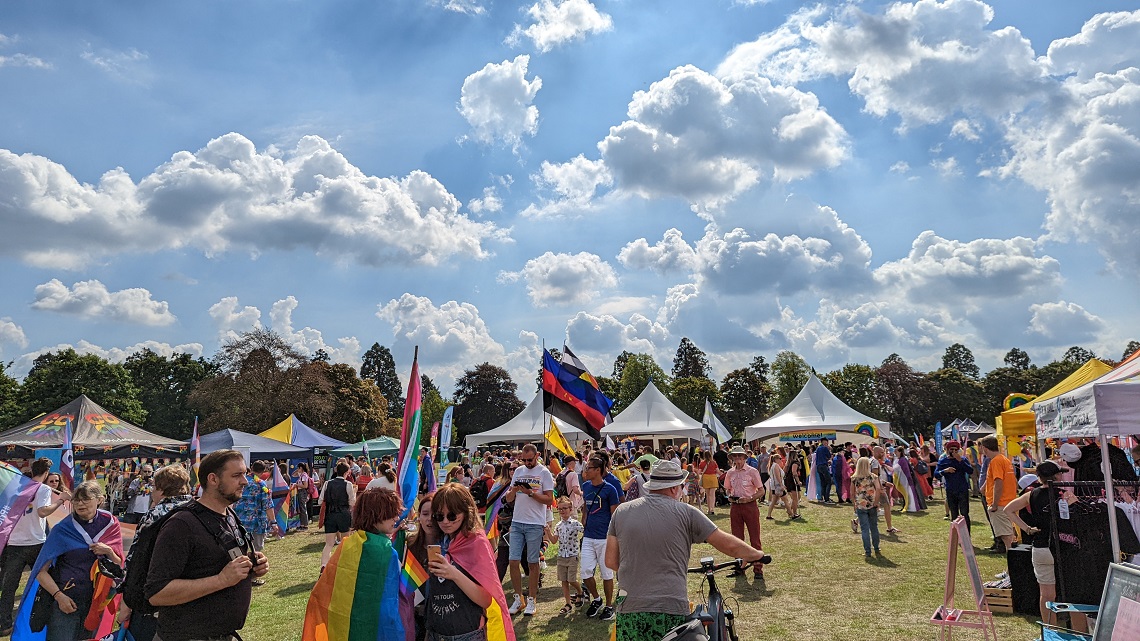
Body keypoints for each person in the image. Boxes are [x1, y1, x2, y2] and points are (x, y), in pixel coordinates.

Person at [605, 460, 767, 641]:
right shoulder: (686, 512)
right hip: (670, 607)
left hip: (629, 607)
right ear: (675, 488)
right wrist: (756, 554)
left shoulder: (622, 511)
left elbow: (610, 561)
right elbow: (727, 544)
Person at [144, 450, 267, 641]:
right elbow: (157, 593)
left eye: (245, 473)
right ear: (213, 479)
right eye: (236, 475)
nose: (245, 481)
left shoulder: (229, 515)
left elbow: (212, 563)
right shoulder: (182, 524)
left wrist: (252, 566)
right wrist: (221, 580)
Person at [303, 488, 410, 641]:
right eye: (392, 513)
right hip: (376, 626)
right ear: (377, 515)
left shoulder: (347, 544)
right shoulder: (385, 551)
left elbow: (325, 588)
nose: (396, 517)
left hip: (346, 624)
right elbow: (390, 601)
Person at [425, 483, 516, 641]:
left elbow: (486, 599)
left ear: (466, 512)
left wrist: (453, 574)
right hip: (435, 633)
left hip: (467, 635)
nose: (445, 521)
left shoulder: (476, 543)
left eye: (452, 515)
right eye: (439, 516)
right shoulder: (437, 542)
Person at [118, 465, 194, 641]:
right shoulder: (198, 509)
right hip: (191, 593)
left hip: (156, 594)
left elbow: (135, 558)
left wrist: (127, 601)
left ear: (161, 489)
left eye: (154, 487)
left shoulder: (155, 514)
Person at [0, 458, 70, 636]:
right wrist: (61, 500)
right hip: (35, 541)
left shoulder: (17, 486)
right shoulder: (43, 488)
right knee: (46, 581)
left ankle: (5, 624)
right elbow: (42, 511)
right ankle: (47, 617)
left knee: (9, 586)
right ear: (46, 473)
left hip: (15, 542)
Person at [1004, 461, 1062, 626]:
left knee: (1046, 594)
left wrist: (1027, 528)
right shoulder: (1064, 494)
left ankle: (1051, 628)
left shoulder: (1031, 494)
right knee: (1067, 591)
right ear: (1057, 475)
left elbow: (1008, 509)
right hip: (1061, 546)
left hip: (1040, 546)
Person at [504, 443, 554, 617]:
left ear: (537, 455)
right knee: (513, 561)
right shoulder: (518, 472)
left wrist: (530, 493)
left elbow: (549, 500)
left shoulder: (544, 473)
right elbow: (509, 498)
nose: (527, 463)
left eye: (530, 460)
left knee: (533, 563)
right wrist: (515, 490)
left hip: (534, 523)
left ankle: (532, 599)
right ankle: (518, 599)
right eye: (524, 460)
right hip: (517, 521)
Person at [580, 456, 620, 620]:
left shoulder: (610, 489)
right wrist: (583, 517)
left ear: (598, 470)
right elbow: (585, 506)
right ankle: (597, 599)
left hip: (605, 538)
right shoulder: (586, 486)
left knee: (606, 574)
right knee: (585, 571)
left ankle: (609, 606)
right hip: (588, 536)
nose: (585, 471)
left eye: (589, 468)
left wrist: (614, 537)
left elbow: (615, 514)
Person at [723, 446, 764, 578]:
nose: (737, 459)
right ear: (732, 458)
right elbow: (727, 489)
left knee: (754, 538)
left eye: (740, 456)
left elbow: (762, 491)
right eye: (735, 456)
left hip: (750, 506)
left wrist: (750, 498)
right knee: (736, 539)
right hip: (735, 506)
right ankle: (740, 567)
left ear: (745, 458)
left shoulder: (752, 471)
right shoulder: (730, 473)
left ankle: (758, 568)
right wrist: (729, 495)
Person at [406, 492, 440, 641]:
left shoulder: (449, 546)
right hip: (414, 614)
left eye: (434, 514)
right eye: (425, 514)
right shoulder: (409, 544)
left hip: (441, 615)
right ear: (418, 516)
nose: (429, 519)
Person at [235, 461, 274, 586]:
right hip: (256, 524)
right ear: (263, 472)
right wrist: (273, 522)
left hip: (239, 522)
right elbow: (268, 505)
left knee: (241, 551)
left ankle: (240, 575)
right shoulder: (261, 485)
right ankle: (251, 578)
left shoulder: (241, 482)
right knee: (255, 551)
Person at [980, 435, 1017, 553]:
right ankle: (1012, 567)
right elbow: (1013, 481)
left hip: (1000, 504)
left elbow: (998, 482)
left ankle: (1012, 568)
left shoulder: (995, 461)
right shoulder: (1004, 459)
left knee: (1007, 538)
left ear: (985, 448)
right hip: (1008, 502)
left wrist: (994, 504)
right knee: (1009, 536)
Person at [548, 497, 584, 616]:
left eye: (565, 508)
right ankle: (568, 603)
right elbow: (554, 540)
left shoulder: (575, 523)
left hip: (572, 555)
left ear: (570, 509)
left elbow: (584, 531)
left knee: (571, 579)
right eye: (560, 509)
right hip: (561, 555)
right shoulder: (558, 525)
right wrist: (548, 532)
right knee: (564, 580)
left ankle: (580, 591)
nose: (562, 511)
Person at [318, 461, 356, 571]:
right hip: (343, 513)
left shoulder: (327, 483)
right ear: (347, 472)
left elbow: (320, 501)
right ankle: (344, 566)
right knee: (345, 542)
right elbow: (352, 503)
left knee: (329, 544)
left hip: (330, 514)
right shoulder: (348, 484)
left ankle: (324, 566)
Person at [935, 440, 974, 532]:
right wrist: (945, 471)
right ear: (947, 450)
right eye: (951, 449)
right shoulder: (943, 461)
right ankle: (956, 536)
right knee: (954, 513)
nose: (953, 452)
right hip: (950, 490)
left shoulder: (963, 459)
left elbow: (970, 471)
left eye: (956, 450)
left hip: (962, 489)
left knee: (964, 513)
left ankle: (967, 536)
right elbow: (936, 474)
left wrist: (960, 461)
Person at [850, 457, 883, 557]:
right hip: (872, 503)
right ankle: (876, 547)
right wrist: (876, 502)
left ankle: (867, 551)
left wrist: (854, 503)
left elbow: (852, 493)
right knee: (874, 527)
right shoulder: (873, 477)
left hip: (861, 504)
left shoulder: (854, 478)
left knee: (864, 529)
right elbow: (878, 489)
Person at [871, 446, 899, 534]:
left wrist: (885, 483)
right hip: (878, 488)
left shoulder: (871, 461)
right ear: (876, 453)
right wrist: (881, 487)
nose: (883, 454)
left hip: (875, 487)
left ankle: (856, 521)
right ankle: (890, 527)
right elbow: (875, 477)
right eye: (881, 452)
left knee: (872, 507)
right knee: (886, 505)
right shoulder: (875, 462)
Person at [696, 451, 719, 516]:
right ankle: (712, 509)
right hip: (713, 477)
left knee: (708, 494)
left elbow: (699, 471)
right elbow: (717, 471)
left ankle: (709, 509)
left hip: (706, 477)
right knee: (712, 495)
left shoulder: (702, 463)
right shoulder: (713, 462)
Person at [765, 451, 787, 521]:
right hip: (777, 486)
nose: (781, 460)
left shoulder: (773, 466)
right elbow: (778, 477)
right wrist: (781, 486)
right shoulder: (775, 466)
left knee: (774, 501)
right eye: (780, 458)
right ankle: (791, 514)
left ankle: (768, 515)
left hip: (775, 486)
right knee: (786, 500)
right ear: (776, 459)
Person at [784, 448, 803, 519]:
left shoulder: (788, 463)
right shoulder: (795, 463)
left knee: (796, 497)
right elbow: (794, 472)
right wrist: (798, 481)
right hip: (793, 481)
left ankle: (790, 511)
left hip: (788, 480)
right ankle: (794, 513)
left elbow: (784, 471)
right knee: (795, 498)